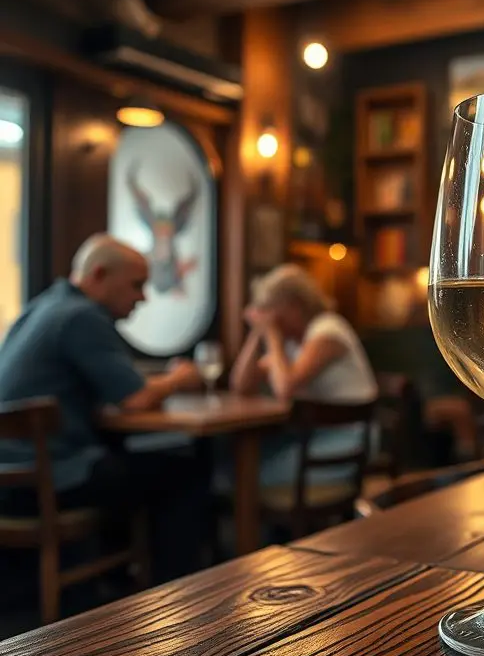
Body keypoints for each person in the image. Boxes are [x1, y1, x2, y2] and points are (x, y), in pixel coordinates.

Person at [0, 234, 209, 582]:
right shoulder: (83, 316)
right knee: (186, 468)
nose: (143, 297)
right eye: (136, 285)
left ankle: (115, 582)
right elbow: (135, 398)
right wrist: (179, 378)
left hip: (9, 477)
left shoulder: (41, 308)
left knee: (126, 461)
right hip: (48, 480)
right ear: (98, 275)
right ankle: (176, 594)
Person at [229, 264, 378, 489]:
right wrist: (256, 333)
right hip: (314, 437)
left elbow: (285, 388)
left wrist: (271, 336)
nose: (273, 319)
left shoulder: (327, 330)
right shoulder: (292, 342)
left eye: (274, 311)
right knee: (233, 464)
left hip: (349, 442)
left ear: (294, 306)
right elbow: (240, 384)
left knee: (241, 474)